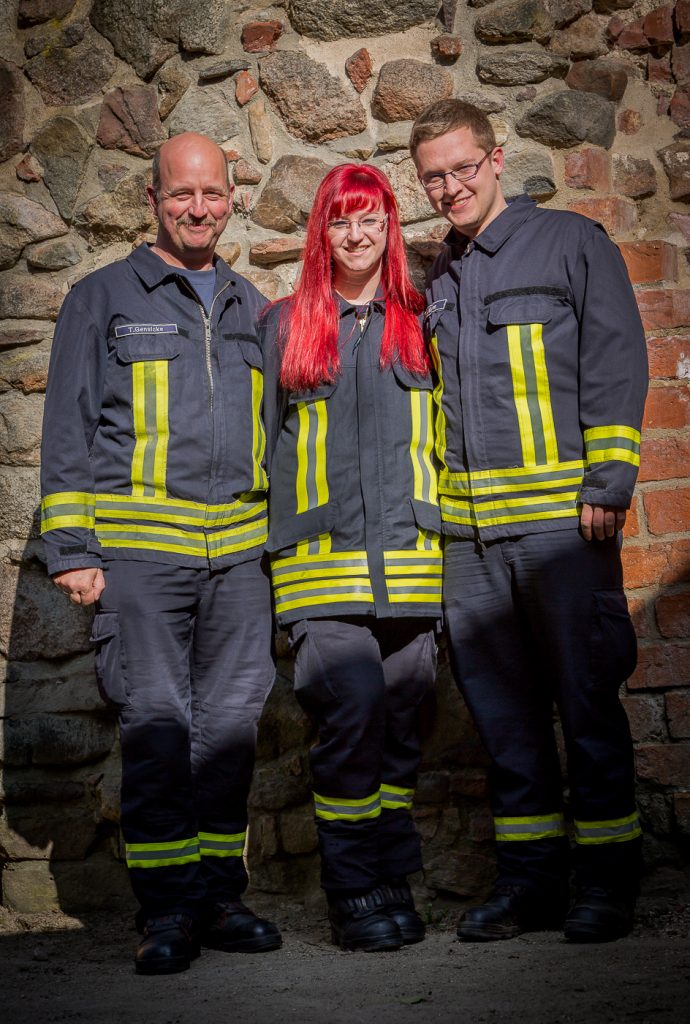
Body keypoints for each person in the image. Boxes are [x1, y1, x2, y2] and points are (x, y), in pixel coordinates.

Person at [40, 132, 281, 974]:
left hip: (242, 561)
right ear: (154, 199)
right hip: (141, 557)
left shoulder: (255, 307)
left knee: (229, 729)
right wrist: (72, 546)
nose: (199, 208)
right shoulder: (103, 298)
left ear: (230, 196)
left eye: (213, 193)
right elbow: (67, 426)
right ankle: (167, 911)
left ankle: (219, 895)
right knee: (156, 726)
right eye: (183, 194)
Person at [409, 99, 648, 943]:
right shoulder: (439, 276)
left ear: (495, 158)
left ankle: (608, 884)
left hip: (562, 533)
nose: (450, 186)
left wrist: (610, 480)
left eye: (462, 167)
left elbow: (616, 356)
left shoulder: (572, 245)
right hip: (471, 549)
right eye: (433, 175)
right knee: (504, 722)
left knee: (585, 707)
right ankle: (531, 884)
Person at [260, 164, 441, 952]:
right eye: (341, 221)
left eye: (371, 220)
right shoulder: (283, 325)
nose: (357, 235)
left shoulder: (421, 319)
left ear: (390, 228)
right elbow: (258, 446)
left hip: (410, 571)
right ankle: (353, 888)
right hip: (319, 573)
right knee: (355, 710)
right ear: (321, 233)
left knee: (404, 723)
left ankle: (392, 873)